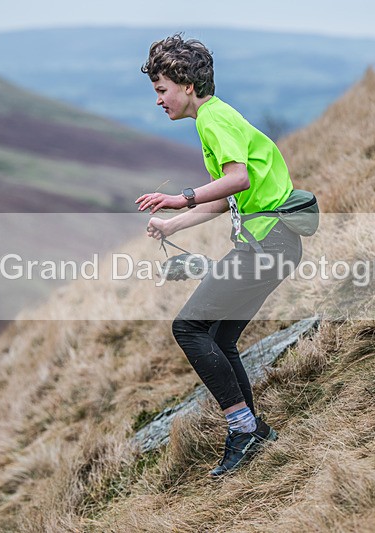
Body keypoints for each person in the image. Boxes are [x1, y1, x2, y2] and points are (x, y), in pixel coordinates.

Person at [135, 34, 302, 477]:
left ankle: (244, 429)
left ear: (187, 85)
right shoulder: (215, 117)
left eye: (161, 89)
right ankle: (253, 432)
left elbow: (238, 179)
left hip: (269, 243)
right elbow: (222, 197)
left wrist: (179, 198)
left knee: (188, 328)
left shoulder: (212, 119)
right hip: (275, 242)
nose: (158, 100)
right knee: (220, 337)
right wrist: (173, 225)